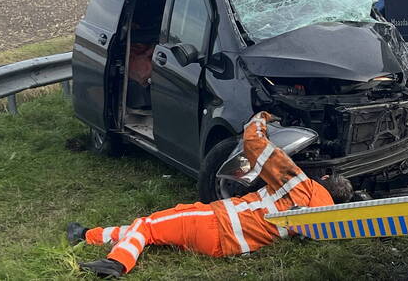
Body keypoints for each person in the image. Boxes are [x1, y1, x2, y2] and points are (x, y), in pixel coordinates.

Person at [68, 111, 353, 277]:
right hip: (226, 245)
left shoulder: (300, 184)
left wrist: (261, 118)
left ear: (324, 179)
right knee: (155, 232)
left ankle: (116, 263)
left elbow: (255, 145)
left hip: (216, 222)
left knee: (147, 225)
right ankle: (87, 235)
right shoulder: (323, 222)